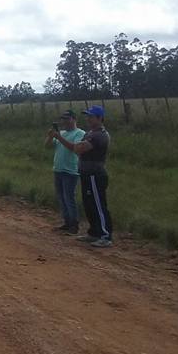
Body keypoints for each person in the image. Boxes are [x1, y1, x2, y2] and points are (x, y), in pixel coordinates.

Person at [52, 105, 113, 248]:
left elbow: (77, 149)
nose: (88, 119)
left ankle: (105, 235)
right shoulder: (90, 133)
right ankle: (94, 233)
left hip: (95, 174)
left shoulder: (99, 135)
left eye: (91, 116)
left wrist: (62, 139)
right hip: (86, 173)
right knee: (89, 205)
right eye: (87, 116)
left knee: (98, 205)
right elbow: (78, 149)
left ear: (99, 118)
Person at [44, 109, 84, 235]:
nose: (64, 121)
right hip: (58, 169)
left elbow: (74, 148)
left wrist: (59, 137)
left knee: (69, 198)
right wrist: (50, 137)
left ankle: (74, 224)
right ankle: (67, 222)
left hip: (71, 170)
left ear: (74, 119)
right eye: (63, 119)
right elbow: (47, 146)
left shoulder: (80, 133)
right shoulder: (61, 133)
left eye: (67, 119)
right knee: (62, 198)